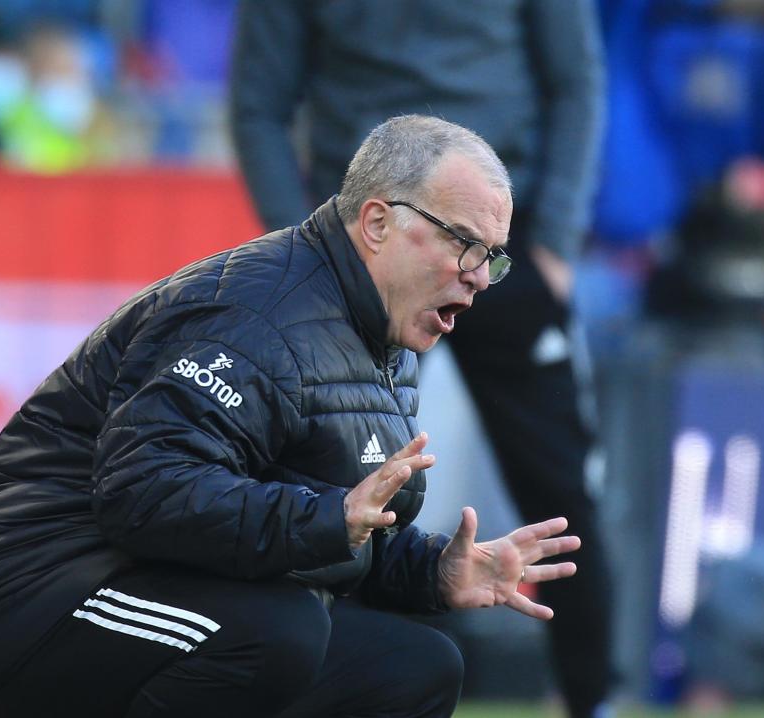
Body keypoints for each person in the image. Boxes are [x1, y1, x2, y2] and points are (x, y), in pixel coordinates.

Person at [0, 115, 581, 718]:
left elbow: (332, 533)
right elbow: (143, 494)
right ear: (378, 223)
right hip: (29, 600)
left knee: (416, 667)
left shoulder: (383, 335)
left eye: (491, 257)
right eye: (464, 243)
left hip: (145, 581)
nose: (477, 277)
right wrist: (326, 521)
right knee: (278, 632)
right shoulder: (257, 316)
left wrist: (432, 572)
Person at [229, 2, 614, 717]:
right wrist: (310, 253)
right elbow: (258, 105)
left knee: (562, 489)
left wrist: (554, 239)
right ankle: (322, 687)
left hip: (505, 243)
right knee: (332, 481)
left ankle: (589, 700)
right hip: (366, 246)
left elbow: (577, 83)